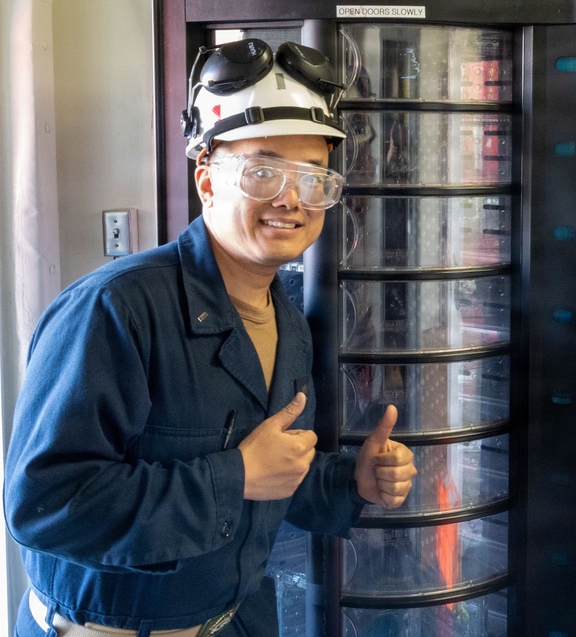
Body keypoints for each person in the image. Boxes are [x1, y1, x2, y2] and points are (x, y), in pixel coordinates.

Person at [4, 38, 417, 637]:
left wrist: (350, 482)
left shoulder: (287, 320)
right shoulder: (115, 309)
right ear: (206, 181)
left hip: (235, 620)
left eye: (312, 177)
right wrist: (235, 476)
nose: (291, 199)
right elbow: (45, 505)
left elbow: (274, 473)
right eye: (263, 172)